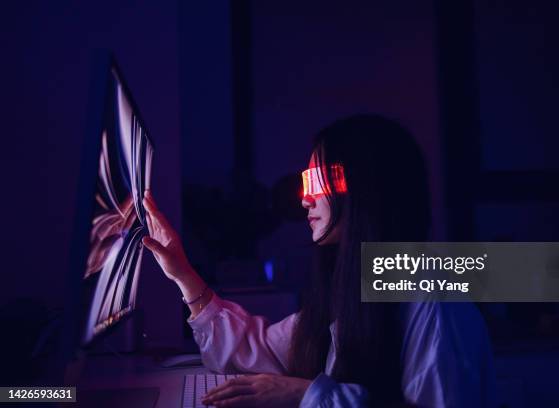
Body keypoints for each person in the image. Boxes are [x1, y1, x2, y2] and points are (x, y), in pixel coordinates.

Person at [142, 114, 497, 407]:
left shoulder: (433, 301)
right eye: (305, 181)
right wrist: (184, 274)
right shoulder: (356, 283)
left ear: (365, 187)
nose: (305, 200)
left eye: (316, 180)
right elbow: (265, 350)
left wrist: (308, 394)